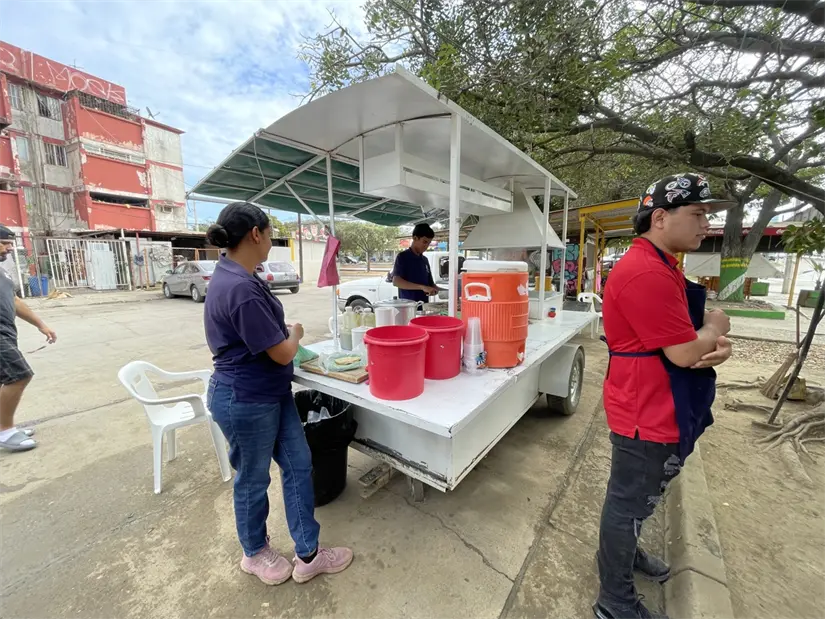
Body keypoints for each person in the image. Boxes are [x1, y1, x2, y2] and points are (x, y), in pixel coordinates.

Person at [594, 173, 734, 619]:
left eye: (706, 215)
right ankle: (614, 602)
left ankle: (625, 554)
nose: (705, 225)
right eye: (697, 214)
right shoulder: (644, 272)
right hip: (645, 410)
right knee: (628, 503)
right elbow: (684, 352)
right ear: (660, 217)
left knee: (639, 499)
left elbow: (687, 346)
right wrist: (715, 327)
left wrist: (709, 343)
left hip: (658, 403)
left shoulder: (663, 264)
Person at [203, 202, 353, 586]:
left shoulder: (240, 275)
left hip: (271, 392)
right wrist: (296, 333)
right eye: (271, 233)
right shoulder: (239, 287)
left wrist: (281, 330)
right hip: (245, 398)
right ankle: (254, 553)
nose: (272, 240)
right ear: (256, 234)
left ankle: (309, 553)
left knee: (299, 464)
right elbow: (283, 351)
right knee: (253, 479)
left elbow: (260, 332)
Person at [0, 225, 56, 452]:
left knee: (6, 379)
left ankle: (4, 425)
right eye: (4, 243)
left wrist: (41, 324)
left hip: (7, 331)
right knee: (19, 376)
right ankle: (5, 431)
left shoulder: (2, 272)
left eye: (10, 243)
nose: (9, 248)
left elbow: (14, 301)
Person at [392, 223, 438, 303]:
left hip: (423, 305)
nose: (426, 246)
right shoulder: (403, 257)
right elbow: (396, 281)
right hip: (408, 306)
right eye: (424, 242)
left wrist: (436, 289)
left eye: (428, 243)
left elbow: (431, 284)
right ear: (415, 238)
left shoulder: (425, 260)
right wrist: (422, 287)